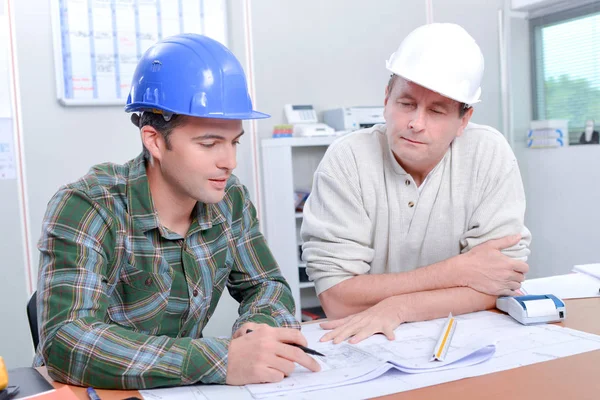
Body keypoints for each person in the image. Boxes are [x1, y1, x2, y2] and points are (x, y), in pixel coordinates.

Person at [34, 34, 319, 389]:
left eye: (234, 142)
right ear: (154, 140)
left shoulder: (229, 199)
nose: (229, 162)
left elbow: (267, 286)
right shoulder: (87, 206)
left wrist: (258, 326)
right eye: (209, 143)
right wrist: (221, 360)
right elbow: (66, 340)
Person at [301, 23, 532, 344]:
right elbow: (337, 299)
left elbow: (501, 280)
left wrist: (401, 306)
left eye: (436, 111)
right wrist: (455, 272)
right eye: (406, 104)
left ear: (463, 120)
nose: (415, 123)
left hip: (469, 334)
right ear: (386, 99)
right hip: (367, 338)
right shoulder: (348, 159)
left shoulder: (489, 154)